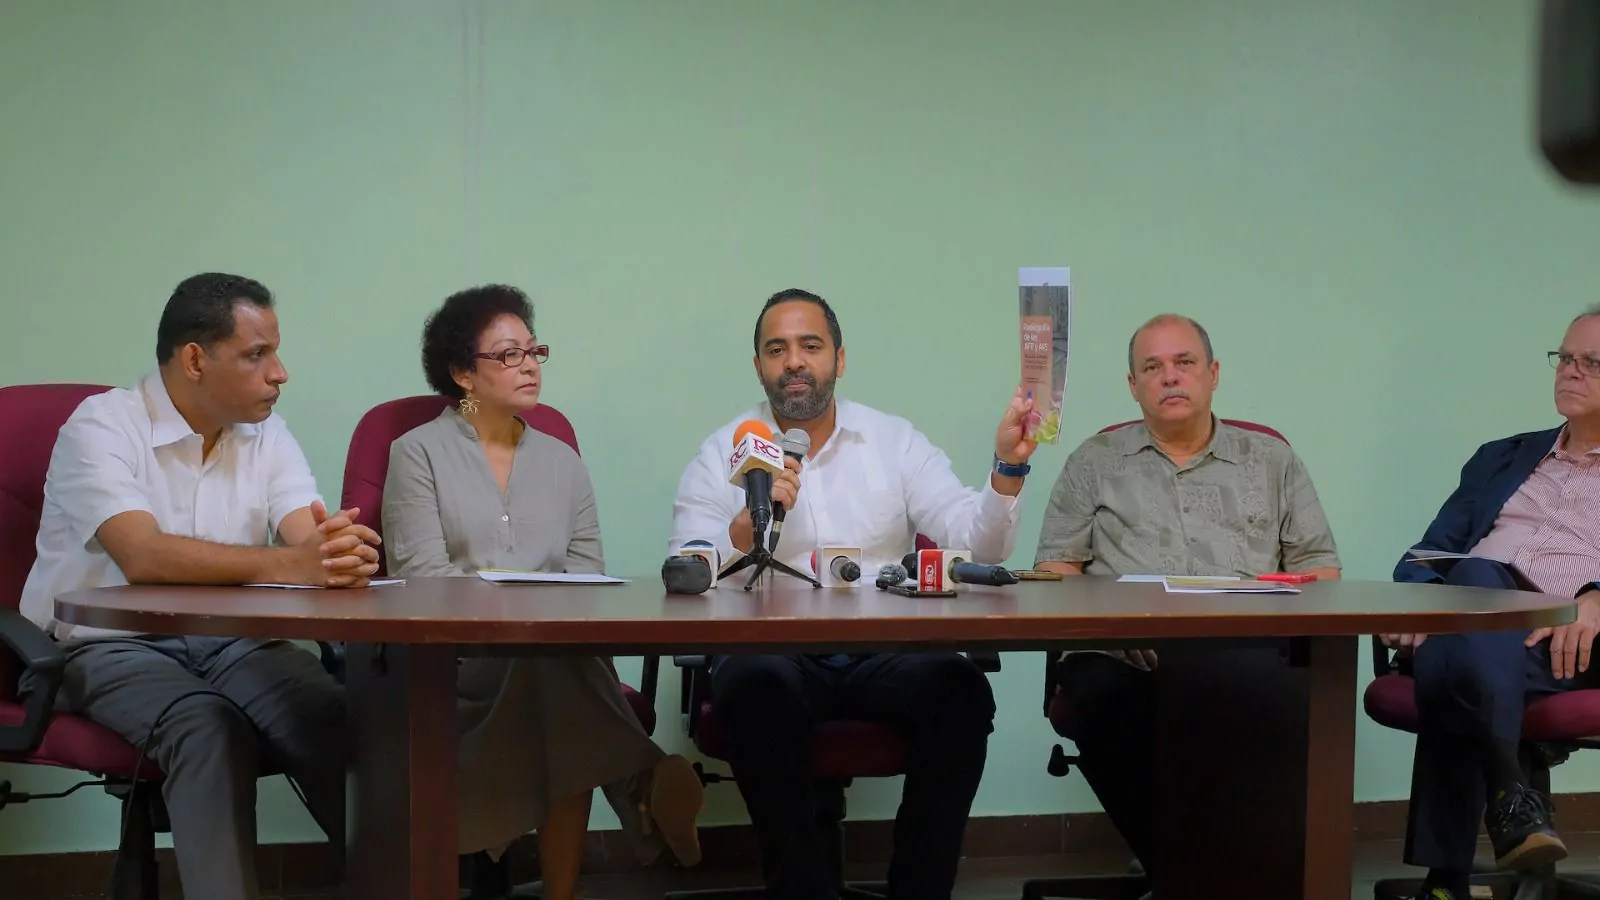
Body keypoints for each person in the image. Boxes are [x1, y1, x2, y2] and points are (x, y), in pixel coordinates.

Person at [668, 288, 1038, 900]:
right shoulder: (726, 450)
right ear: (758, 366)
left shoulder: (894, 441)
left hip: (883, 649)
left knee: (960, 692)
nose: (794, 361)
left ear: (839, 359)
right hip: (771, 650)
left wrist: (1007, 468)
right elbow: (686, 567)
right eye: (776, 349)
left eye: (810, 346)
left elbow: (979, 545)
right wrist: (744, 529)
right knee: (755, 687)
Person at [18, 273, 373, 900]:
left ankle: (401, 883)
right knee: (206, 727)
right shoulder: (101, 427)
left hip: (232, 641)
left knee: (332, 715)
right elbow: (143, 555)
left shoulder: (265, 432)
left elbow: (307, 535)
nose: (280, 373)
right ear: (194, 360)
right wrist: (293, 565)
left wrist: (337, 552)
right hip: (103, 646)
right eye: (257, 354)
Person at [380, 284, 704, 900]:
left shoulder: (563, 462)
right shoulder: (417, 453)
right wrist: (518, 616)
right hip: (457, 661)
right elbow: (423, 581)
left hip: (551, 656)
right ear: (462, 373)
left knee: (552, 664)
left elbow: (588, 581)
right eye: (508, 355)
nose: (529, 365)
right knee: (555, 672)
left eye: (534, 351)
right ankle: (638, 781)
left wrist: (541, 624)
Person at [1033, 313, 1341, 886]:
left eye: (1184, 363)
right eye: (1152, 367)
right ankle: (1193, 878)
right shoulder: (1093, 462)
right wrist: (1113, 630)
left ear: (1213, 374)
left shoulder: (1272, 461)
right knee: (1102, 700)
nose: (1170, 377)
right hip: (1126, 657)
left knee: (1281, 701)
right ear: (1133, 385)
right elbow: (1054, 572)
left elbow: (1319, 571)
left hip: (1248, 654)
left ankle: (1217, 875)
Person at [1385, 306, 1600, 900]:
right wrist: (1424, 604)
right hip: (1478, 618)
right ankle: (1513, 798)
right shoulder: (1501, 457)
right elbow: (1426, 556)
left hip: (1571, 640)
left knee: (1457, 639)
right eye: (1565, 358)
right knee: (1475, 584)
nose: (1570, 371)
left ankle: (1445, 880)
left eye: (1592, 362)